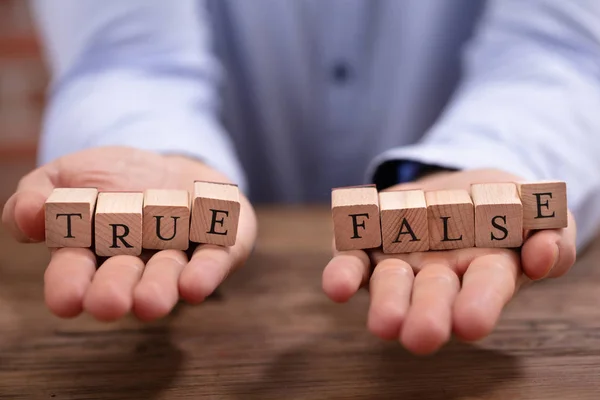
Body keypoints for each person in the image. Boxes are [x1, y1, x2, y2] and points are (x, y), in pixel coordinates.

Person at [2, 0, 597, 355]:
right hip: (235, 307)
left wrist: (492, 155)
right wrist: (154, 147)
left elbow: (563, 51)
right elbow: (127, 55)